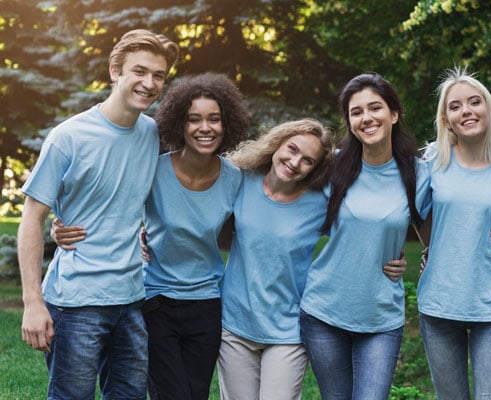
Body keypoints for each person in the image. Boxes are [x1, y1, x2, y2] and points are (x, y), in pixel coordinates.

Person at [50, 73, 249, 399]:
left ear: (227, 124)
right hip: (156, 302)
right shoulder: (154, 170)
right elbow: (110, 208)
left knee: (196, 393)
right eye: (194, 119)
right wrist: (62, 226)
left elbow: (259, 222)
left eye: (214, 119)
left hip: (207, 304)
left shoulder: (234, 179)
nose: (205, 128)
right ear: (179, 125)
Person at [17, 29, 179, 399]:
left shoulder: (153, 133)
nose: (149, 83)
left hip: (131, 298)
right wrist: (32, 304)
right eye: (140, 71)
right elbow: (32, 218)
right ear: (115, 71)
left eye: (158, 76)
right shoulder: (69, 137)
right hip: (76, 302)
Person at [299, 72, 430, 399]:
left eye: (375, 108)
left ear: (394, 114)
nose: (366, 118)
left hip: (381, 316)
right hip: (324, 311)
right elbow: (287, 204)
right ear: (349, 121)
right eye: (356, 112)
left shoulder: (418, 173)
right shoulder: (333, 165)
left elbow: (435, 238)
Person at [417, 67, 491, 399]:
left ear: (488, 109)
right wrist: (435, 246)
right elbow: (415, 216)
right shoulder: (432, 161)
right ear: (446, 119)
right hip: (439, 299)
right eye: (455, 106)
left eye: (475, 102)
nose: (466, 111)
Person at [217, 119, 334, 399]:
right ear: (276, 143)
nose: (294, 162)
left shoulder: (321, 202)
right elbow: (197, 211)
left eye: (308, 160)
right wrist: (149, 236)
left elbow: (361, 229)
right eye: (291, 149)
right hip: (235, 323)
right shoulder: (240, 179)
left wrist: (392, 255)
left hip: (289, 330)